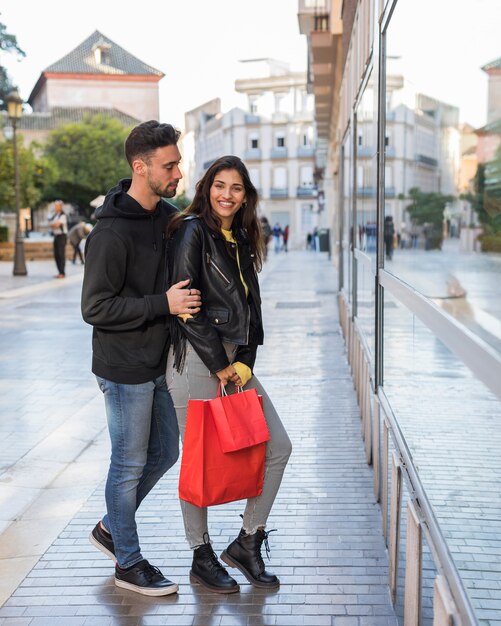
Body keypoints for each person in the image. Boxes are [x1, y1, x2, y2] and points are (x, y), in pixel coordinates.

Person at [81, 121, 202, 597]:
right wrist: (161, 305)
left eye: (177, 163)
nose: (178, 171)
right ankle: (127, 563)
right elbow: (95, 307)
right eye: (169, 165)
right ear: (141, 167)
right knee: (128, 465)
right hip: (123, 367)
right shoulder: (110, 233)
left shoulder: (166, 217)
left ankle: (111, 526)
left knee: (165, 453)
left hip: (158, 363)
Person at [166, 155, 292, 594]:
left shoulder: (239, 236)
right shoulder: (191, 232)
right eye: (220, 185)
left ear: (245, 195)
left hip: (233, 365)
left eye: (236, 188)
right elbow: (186, 308)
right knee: (199, 459)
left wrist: (244, 363)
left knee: (277, 447)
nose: (227, 194)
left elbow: (251, 313)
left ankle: (247, 540)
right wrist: (219, 363)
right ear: (207, 187)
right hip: (196, 362)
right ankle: (201, 555)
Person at [48, 200, 68, 278]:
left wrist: (53, 224)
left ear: (60, 207)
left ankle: (62, 272)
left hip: (62, 236)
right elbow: (51, 224)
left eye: (56, 206)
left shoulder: (63, 215)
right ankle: (59, 272)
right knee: (56, 254)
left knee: (61, 254)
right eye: (55, 206)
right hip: (56, 236)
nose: (55, 207)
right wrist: (53, 224)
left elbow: (56, 225)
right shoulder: (55, 215)